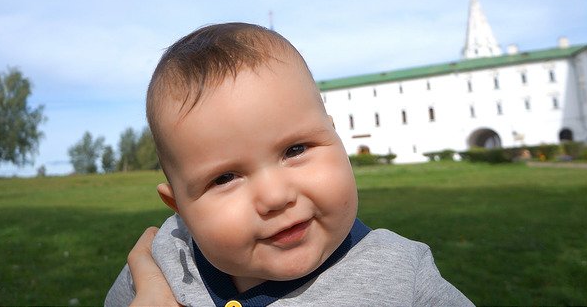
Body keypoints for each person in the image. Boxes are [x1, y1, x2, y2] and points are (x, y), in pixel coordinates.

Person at [106, 23, 473, 307]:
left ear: (336, 136)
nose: (275, 196)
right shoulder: (163, 266)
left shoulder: (400, 272)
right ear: (179, 207)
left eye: (295, 149)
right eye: (225, 178)